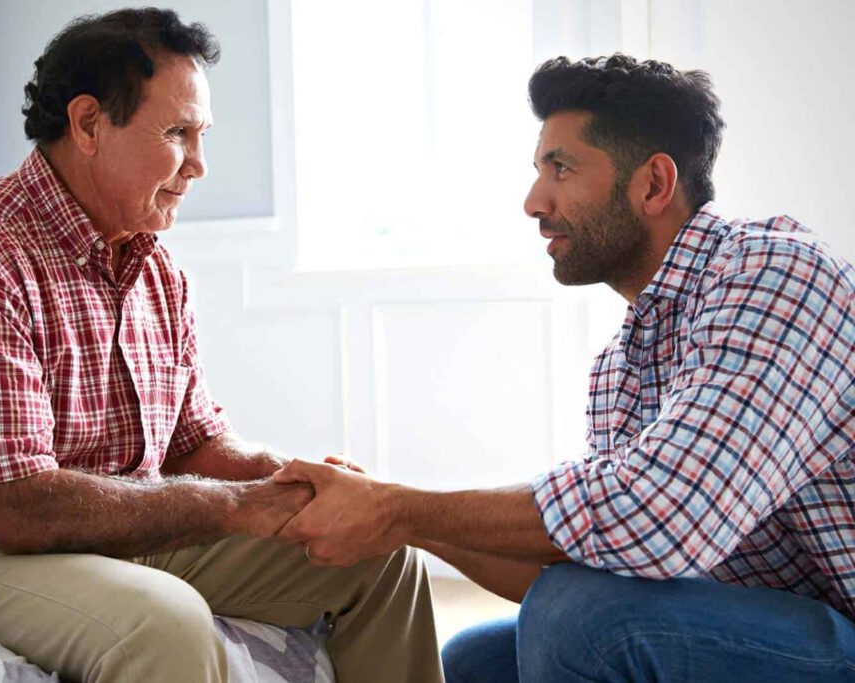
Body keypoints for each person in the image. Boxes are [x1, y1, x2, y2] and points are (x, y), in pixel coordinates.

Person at [0, 8, 441, 683]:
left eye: (201, 135)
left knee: (382, 557)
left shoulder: (155, 268)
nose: (198, 165)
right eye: (177, 132)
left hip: (110, 527)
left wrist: (296, 481)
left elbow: (196, 443)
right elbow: (18, 508)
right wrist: (234, 508)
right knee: (162, 620)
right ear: (88, 123)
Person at [274, 54, 855, 682]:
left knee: (579, 619)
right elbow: (583, 563)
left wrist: (398, 507)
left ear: (655, 184)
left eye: (562, 167)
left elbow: (659, 514)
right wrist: (394, 518)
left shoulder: (773, 274)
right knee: (481, 659)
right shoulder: (622, 366)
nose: (533, 201)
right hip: (779, 626)